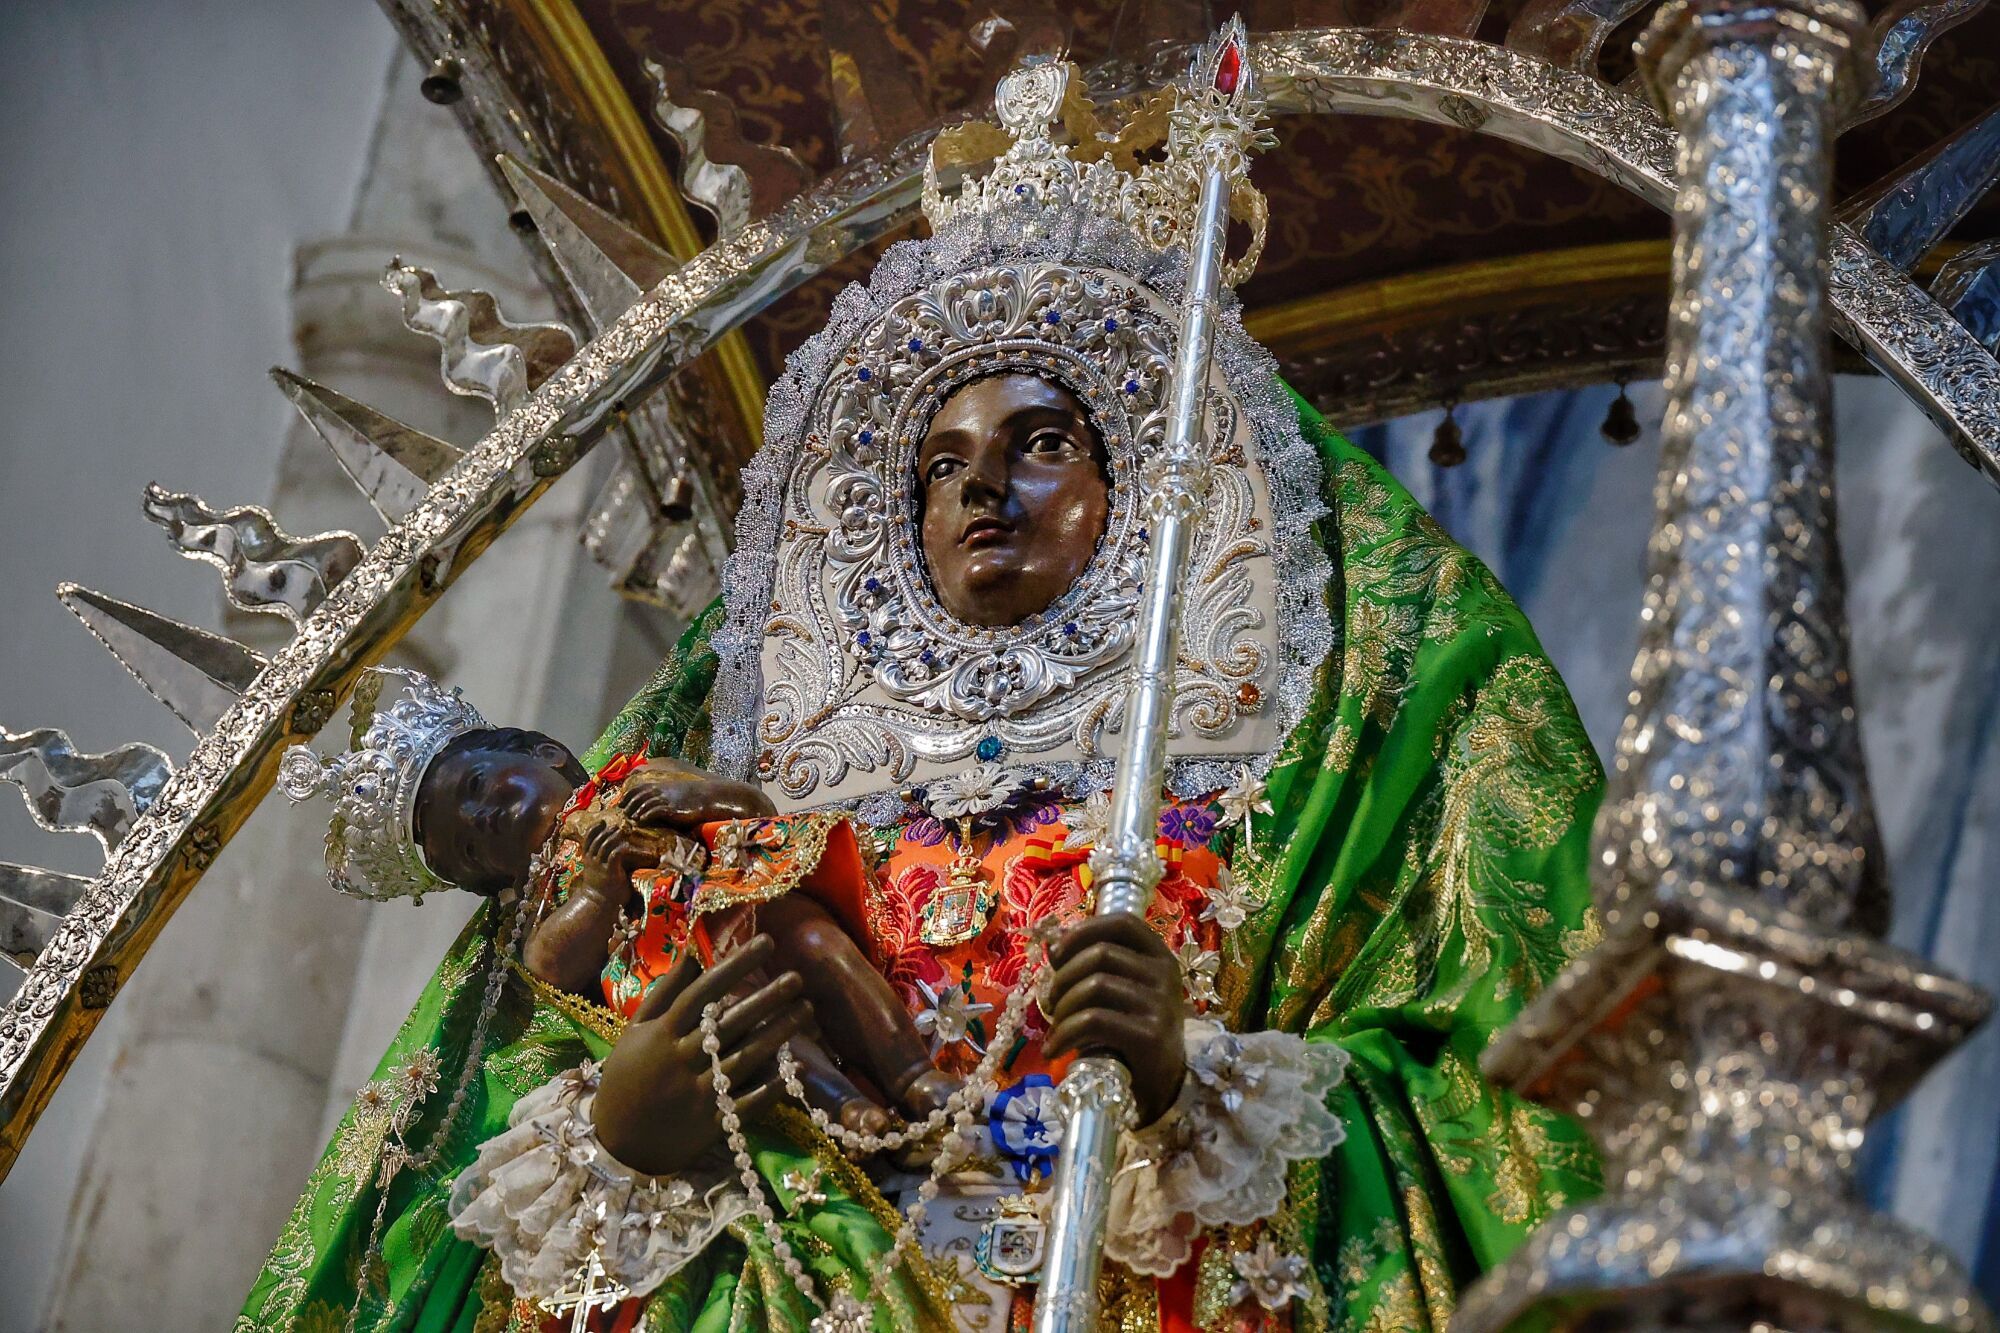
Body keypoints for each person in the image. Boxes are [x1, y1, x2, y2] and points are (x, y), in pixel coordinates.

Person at [245, 52, 1605, 1333]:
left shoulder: (1307, 750)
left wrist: (1195, 1089)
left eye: (1045, 442)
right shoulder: (763, 751)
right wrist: (626, 1135)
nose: (980, 489)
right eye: (939, 463)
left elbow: (1514, 1118)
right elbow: (485, 1158)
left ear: (1137, 474)